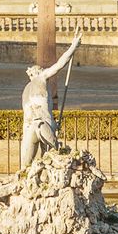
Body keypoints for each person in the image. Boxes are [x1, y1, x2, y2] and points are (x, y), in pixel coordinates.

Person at [18, 34, 81, 169]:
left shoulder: (25, 90)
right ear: (38, 71)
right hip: (43, 125)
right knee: (50, 164)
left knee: (25, 167)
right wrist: (73, 47)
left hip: (29, 128)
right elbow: (60, 64)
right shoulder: (41, 77)